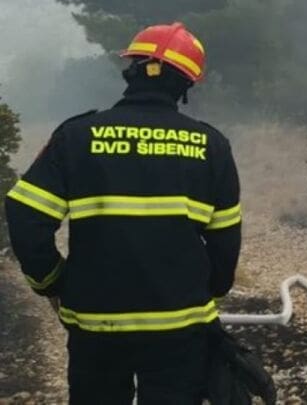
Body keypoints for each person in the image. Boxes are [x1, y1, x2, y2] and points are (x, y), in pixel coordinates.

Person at [5, 22, 242, 404]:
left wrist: (52, 281)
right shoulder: (211, 145)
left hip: (96, 323)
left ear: (131, 70)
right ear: (187, 84)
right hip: (180, 325)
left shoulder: (77, 135)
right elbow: (226, 239)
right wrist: (211, 292)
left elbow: (25, 214)